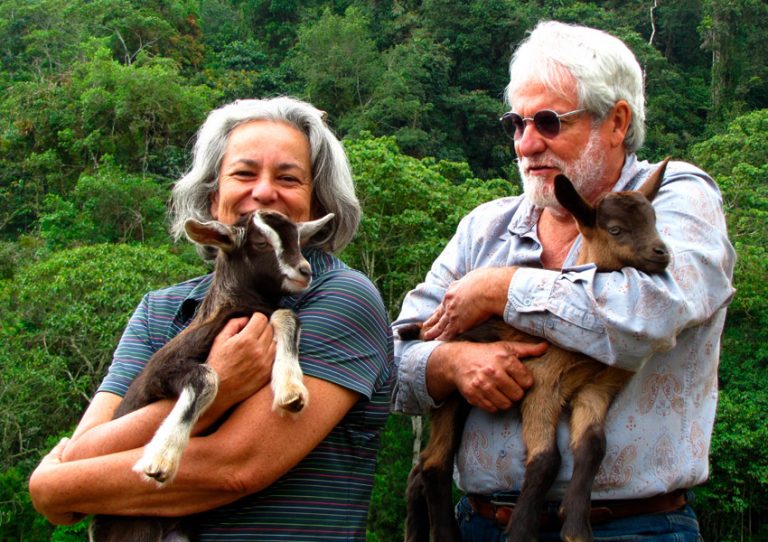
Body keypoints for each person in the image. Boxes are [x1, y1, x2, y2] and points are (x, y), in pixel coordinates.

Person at [392, 21, 735, 541]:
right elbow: (392, 360)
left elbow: (650, 312)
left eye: (549, 122)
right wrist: (449, 362)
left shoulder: (678, 199)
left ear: (616, 122)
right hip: (477, 523)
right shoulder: (485, 228)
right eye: (516, 123)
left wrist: (500, 289)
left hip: (631, 527)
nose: (527, 144)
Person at [29, 96, 394, 541]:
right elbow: (85, 452)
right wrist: (220, 384)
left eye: (288, 178)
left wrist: (54, 484)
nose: (262, 192)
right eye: (243, 173)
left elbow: (235, 466)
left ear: (316, 204)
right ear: (212, 196)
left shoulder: (340, 298)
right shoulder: (159, 311)